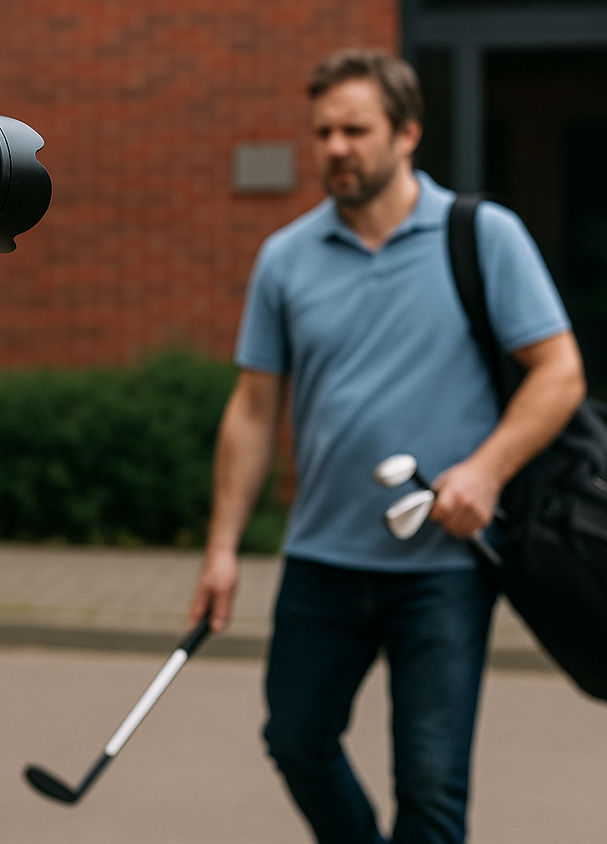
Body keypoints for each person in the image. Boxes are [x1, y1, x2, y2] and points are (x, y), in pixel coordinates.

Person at [187, 50, 585, 844]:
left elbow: (560, 372)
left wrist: (486, 470)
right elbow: (255, 409)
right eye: (323, 131)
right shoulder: (286, 257)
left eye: (355, 129)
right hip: (322, 561)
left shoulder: (484, 237)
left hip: (443, 570)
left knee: (432, 790)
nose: (336, 146)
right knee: (296, 741)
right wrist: (222, 550)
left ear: (407, 133)